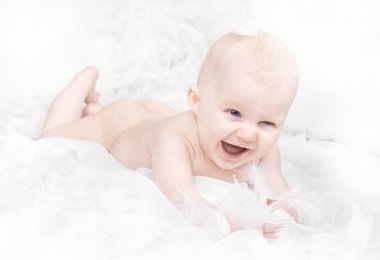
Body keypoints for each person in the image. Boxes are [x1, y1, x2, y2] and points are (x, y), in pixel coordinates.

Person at [41, 31, 299, 239]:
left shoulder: (264, 152)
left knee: (144, 117)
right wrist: (231, 227)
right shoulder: (176, 140)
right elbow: (180, 196)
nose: (247, 134)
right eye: (234, 112)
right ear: (196, 102)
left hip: (159, 115)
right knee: (52, 136)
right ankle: (83, 81)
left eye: (266, 122)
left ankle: (94, 107)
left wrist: (279, 221)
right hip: (120, 127)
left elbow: (283, 198)